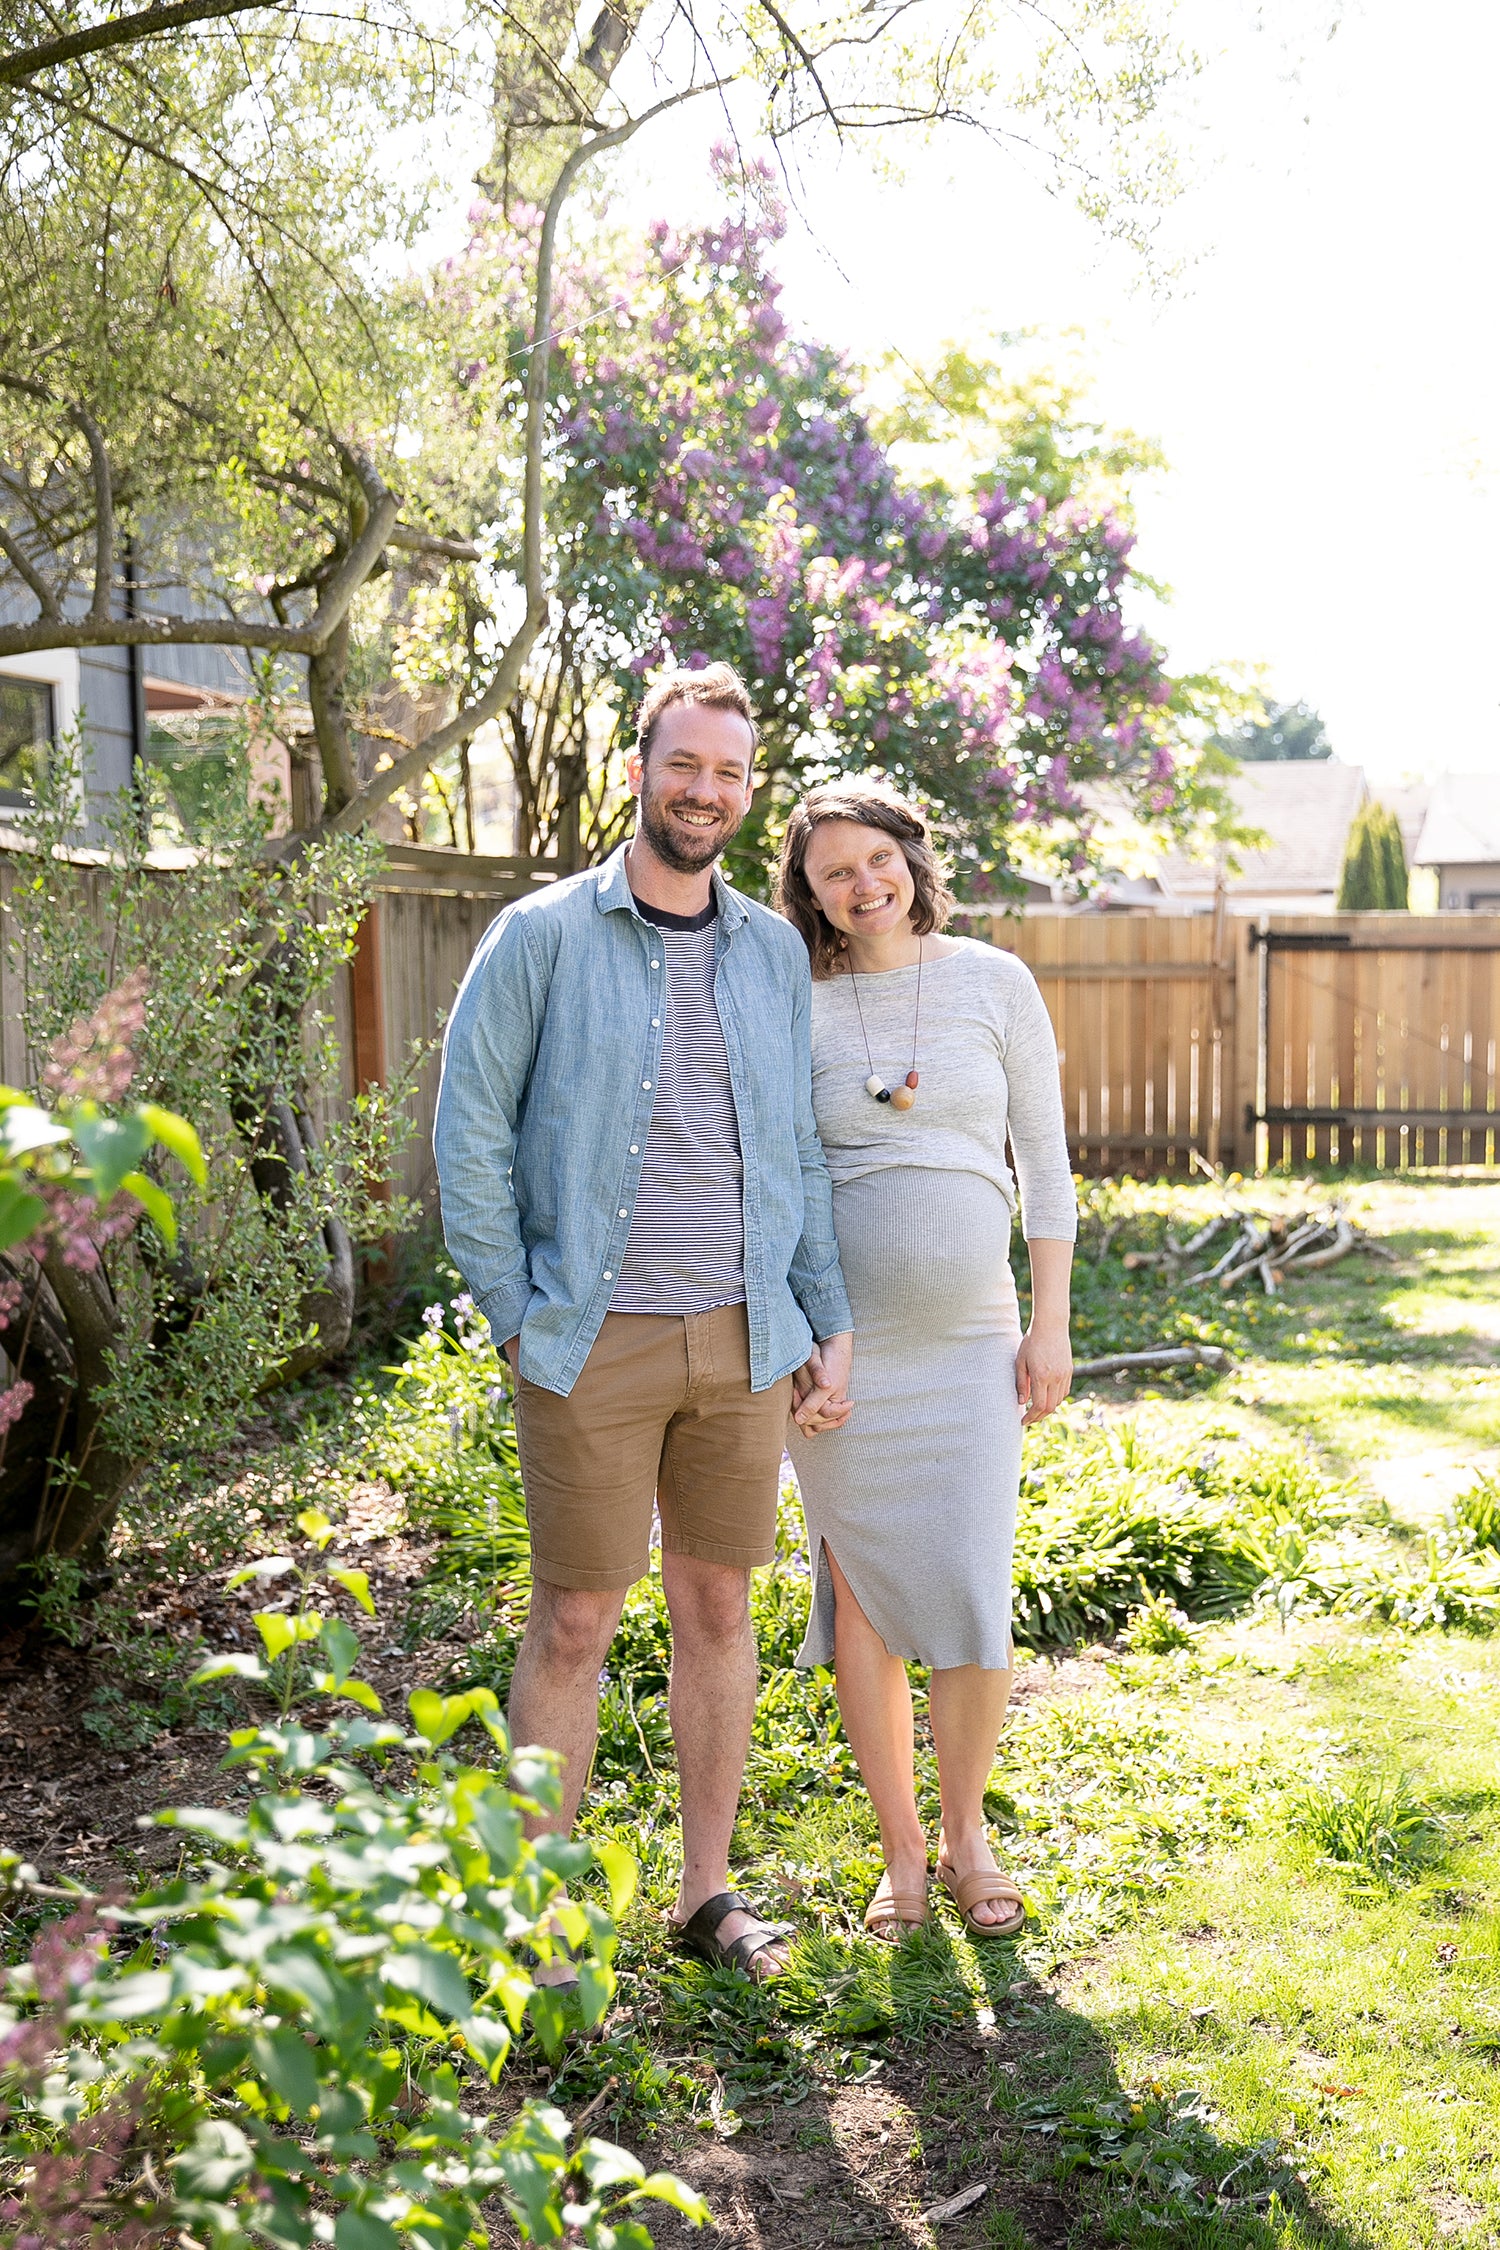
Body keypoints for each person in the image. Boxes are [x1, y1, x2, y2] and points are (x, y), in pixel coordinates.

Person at [433, 662, 853, 1984]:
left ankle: (707, 1893)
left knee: (718, 1604)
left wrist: (821, 1313)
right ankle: (541, 1921)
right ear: (638, 769)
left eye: (729, 773)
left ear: (745, 790)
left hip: (741, 1333)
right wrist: (515, 1315)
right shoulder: (543, 934)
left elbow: (795, 1144)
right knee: (573, 1618)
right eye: (686, 765)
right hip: (589, 1337)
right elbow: (467, 1137)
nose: (705, 791)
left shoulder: (771, 949)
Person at [775, 779, 1076, 1942]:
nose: (862, 884)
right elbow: (779, 1185)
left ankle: (966, 1836)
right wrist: (803, 1342)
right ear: (806, 891)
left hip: (967, 1343)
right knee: (860, 1595)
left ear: (912, 853)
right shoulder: (791, 1001)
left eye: (877, 858)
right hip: (845, 1347)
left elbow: (1045, 1169)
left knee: (966, 1588)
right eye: (833, 870)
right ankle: (901, 1851)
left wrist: (1047, 1325)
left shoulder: (993, 981)